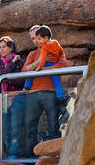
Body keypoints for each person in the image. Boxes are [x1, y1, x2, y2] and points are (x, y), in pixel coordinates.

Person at [21, 25, 66, 157]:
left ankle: (55, 157)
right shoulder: (32, 54)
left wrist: (42, 69)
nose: (35, 41)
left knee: (53, 126)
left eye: (37, 37)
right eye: (33, 39)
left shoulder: (56, 49)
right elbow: (24, 70)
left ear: (44, 37)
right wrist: (39, 62)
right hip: (32, 94)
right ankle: (30, 158)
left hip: (51, 93)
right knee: (29, 126)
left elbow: (62, 65)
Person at [0, 36, 26, 160]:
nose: (1, 49)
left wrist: (5, 78)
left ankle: (14, 154)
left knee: (16, 127)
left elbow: (21, 81)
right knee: (5, 129)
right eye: (0, 47)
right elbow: (2, 74)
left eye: (4, 47)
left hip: (18, 97)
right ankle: (9, 152)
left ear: (11, 48)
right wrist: (11, 64)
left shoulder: (21, 62)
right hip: (3, 98)